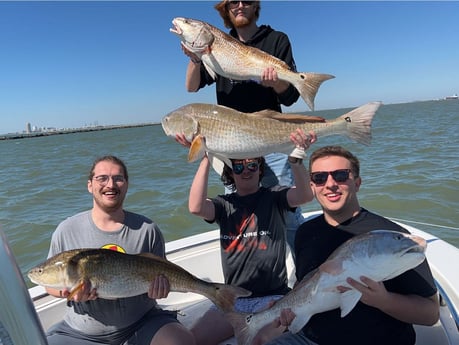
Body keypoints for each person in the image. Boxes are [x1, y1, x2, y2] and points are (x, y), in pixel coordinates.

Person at [261, 146, 440, 345]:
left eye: (340, 175)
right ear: (312, 186)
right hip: (310, 338)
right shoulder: (305, 232)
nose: (330, 184)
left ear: (357, 183)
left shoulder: (389, 238)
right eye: (320, 178)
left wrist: (383, 300)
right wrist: (289, 313)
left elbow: (431, 313)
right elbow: (306, 284)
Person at [181, 0, 304, 254]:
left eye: (246, 0)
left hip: (271, 140)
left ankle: (305, 275)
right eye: (232, 2)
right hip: (231, 145)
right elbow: (191, 87)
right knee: (241, 216)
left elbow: (290, 98)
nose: (239, 5)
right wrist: (195, 58)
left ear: (255, 6)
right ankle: (254, 280)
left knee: (289, 216)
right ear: (225, 9)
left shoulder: (276, 40)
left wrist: (275, 82)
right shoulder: (216, 45)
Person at [45, 155, 196, 345]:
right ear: (90, 185)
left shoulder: (146, 229)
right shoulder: (66, 230)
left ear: (126, 184)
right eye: (102, 178)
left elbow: (162, 272)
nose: (110, 184)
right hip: (80, 332)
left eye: (118, 178)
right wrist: (68, 293)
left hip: (143, 323)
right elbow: (49, 284)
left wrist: (161, 289)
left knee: (182, 342)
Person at [187, 129, 316, 345]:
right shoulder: (223, 205)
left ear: (260, 169)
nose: (245, 170)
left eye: (252, 165)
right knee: (189, 340)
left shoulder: (275, 196)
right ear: (231, 173)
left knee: (261, 342)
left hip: (273, 297)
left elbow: (304, 195)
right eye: (238, 166)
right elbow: (195, 207)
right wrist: (206, 157)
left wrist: (295, 161)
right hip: (232, 299)